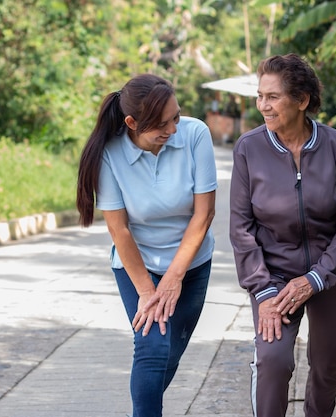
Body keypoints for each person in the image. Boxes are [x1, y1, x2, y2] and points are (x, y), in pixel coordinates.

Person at [229, 53, 336, 417]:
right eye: (260, 96)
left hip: (335, 276)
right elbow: (241, 229)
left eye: (272, 97)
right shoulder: (249, 149)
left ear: (301, 101)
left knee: (327, 365)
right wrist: (264, 290)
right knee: (273, 361)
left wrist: (315, 279)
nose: (263, 106)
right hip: (273, 275)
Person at [76, 74, 217, 417]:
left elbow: (204, 214)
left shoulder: (195, 134)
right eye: (161, 124)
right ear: (132, 123)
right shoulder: (110, 154)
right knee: (152, 347)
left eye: (175, 117)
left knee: (169, 354)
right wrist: (147, 290)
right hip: (137, 266)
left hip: (191, 264)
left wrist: (174, 278)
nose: (172, 128)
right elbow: (119, 229)